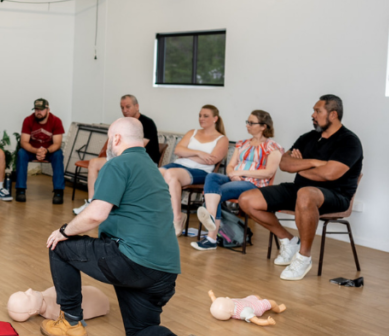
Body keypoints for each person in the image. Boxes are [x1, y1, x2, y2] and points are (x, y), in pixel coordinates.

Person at [42, 118, 203, 336]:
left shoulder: (118, 165)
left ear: (116, 139)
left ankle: (71, 323)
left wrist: (64, 231)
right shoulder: (153, 169)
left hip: (132, 261)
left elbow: (96, 213)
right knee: (139, 331)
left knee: (59, 246)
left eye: (109, 138)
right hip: (164, 272)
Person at [239, 95, 363, 281]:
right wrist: (313, 162)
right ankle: (289, 241)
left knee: (306, 194)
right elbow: (285, 163)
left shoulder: (349, 141)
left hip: (336, 195)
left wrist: (301, 166)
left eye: (318, 111)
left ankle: (303, 257)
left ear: (333, 115)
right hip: (300, 189)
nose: (313, 115)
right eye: (313, 110)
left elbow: (330, 174)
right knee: (246, 199)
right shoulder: (308, 137)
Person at [191, 110, 283, 251]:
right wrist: (232, 174)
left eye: (251, 123)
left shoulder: (273, 147)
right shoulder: (242, 144)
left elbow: (268, 172)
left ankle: (211, 237)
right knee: (211, 177)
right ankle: (211, 225)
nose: (247, 125)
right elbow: (230, 166)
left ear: (264, 126)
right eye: (247, 122)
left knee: (213, 194)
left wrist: (239, 172)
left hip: (254, 185)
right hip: (234, 179)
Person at [74, 94, 160, 215]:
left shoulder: (147, 123)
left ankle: (109, 204)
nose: (125, 110)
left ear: (137, 106)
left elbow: (136, 148)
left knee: (116, 167)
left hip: (143, 162)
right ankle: (91, 203)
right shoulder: (123, 123)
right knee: (94, 163)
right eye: (122, 107)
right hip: (123, 158)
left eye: (128, 107)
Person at [159, 105, 229, 236]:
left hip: (201, 171)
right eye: (200, 115)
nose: (201, 118)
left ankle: (177, 219)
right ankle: (165, 216)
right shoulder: (192, 132)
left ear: (215, 118)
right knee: (154, 174)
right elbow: (177, 150)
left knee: (171, 174)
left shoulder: (222, 139)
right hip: (180, 164)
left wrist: (188, 153)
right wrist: (200, 153)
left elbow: (211, 161)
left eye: (205, 116)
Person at [15, 98, 66, 204]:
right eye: (36, 109)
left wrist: (46, 151)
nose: (38, 112)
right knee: (21, 153)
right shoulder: (28, 120)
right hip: (32, 150)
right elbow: (24, 142)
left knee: (58, 154)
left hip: (49, 151)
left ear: (48, 109)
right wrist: (36, 151)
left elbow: (57, 143)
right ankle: (20, 190)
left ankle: (58, 191)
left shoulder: (56, 121)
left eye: (41, 109)